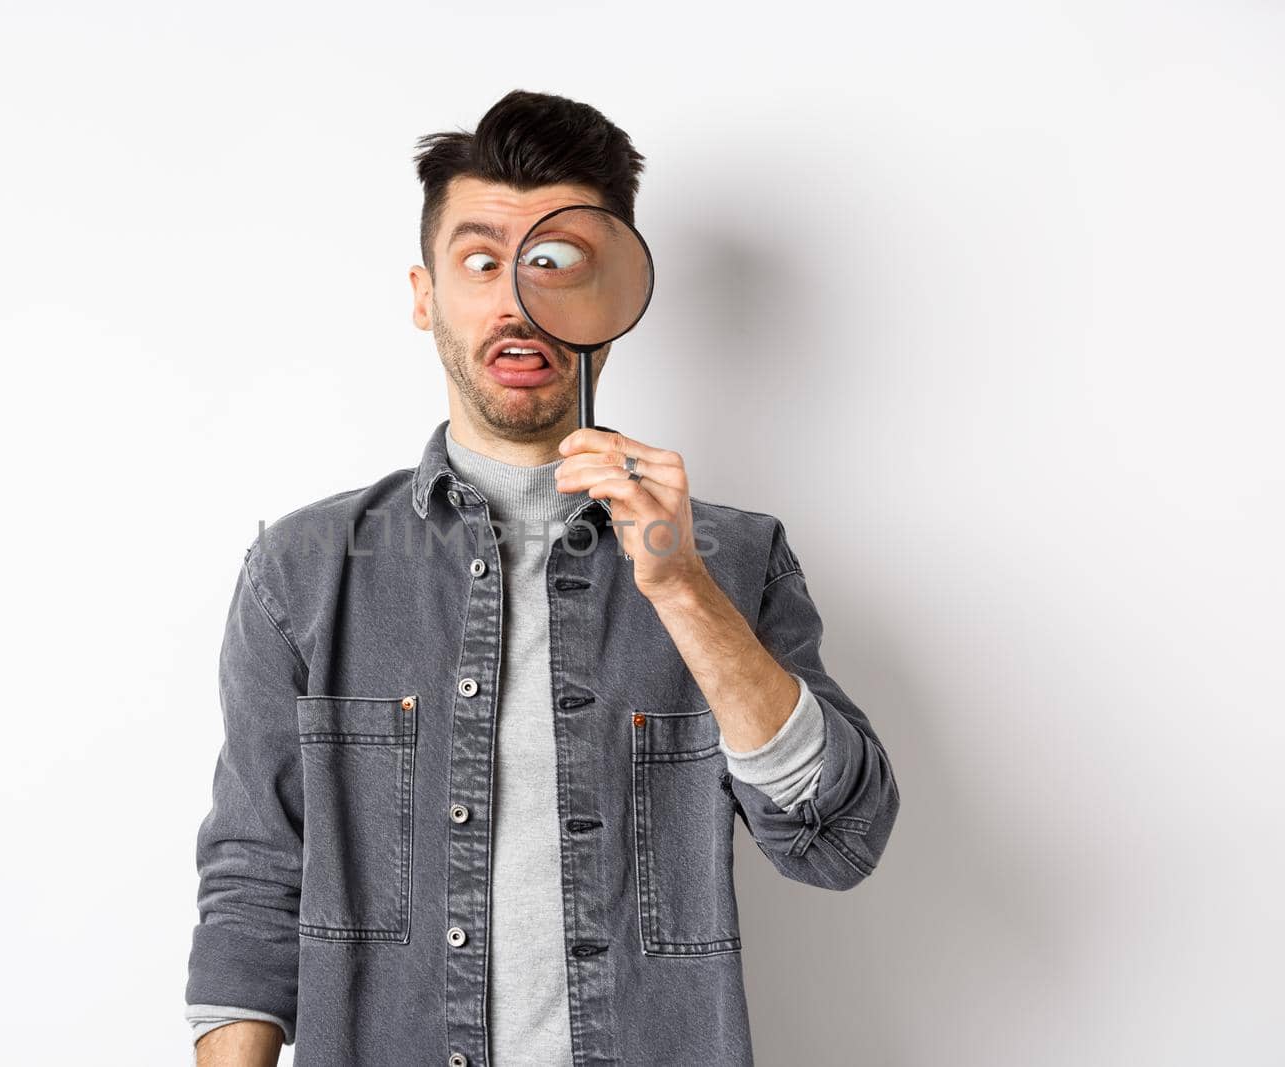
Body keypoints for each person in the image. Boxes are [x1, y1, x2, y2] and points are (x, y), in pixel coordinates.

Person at [185, 89, 901, 1067]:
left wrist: (683, 588)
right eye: (483, 261)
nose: (518, 300)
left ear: (615, 297)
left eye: (557, 263)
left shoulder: (732, 559)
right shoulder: (302, 570)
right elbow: (255, 878)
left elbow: (836, 838)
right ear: (423, 293)